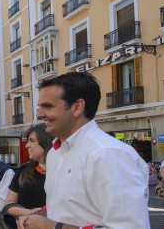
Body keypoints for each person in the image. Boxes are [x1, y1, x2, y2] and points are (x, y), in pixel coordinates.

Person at [23, 72, 150, 228]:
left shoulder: (108, 154)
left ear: (77, 107)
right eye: (39, 107)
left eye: (47, 106)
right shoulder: (56, 152)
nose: (39, 114)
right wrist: (39, 216)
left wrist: (50, 226)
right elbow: (71, 208)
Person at [3, 124, 53, 223]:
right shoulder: (23, 170)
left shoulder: (62, 172)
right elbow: (8, 204)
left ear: (46, 142)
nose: (27, 145)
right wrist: (29, 213)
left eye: (32, 141)